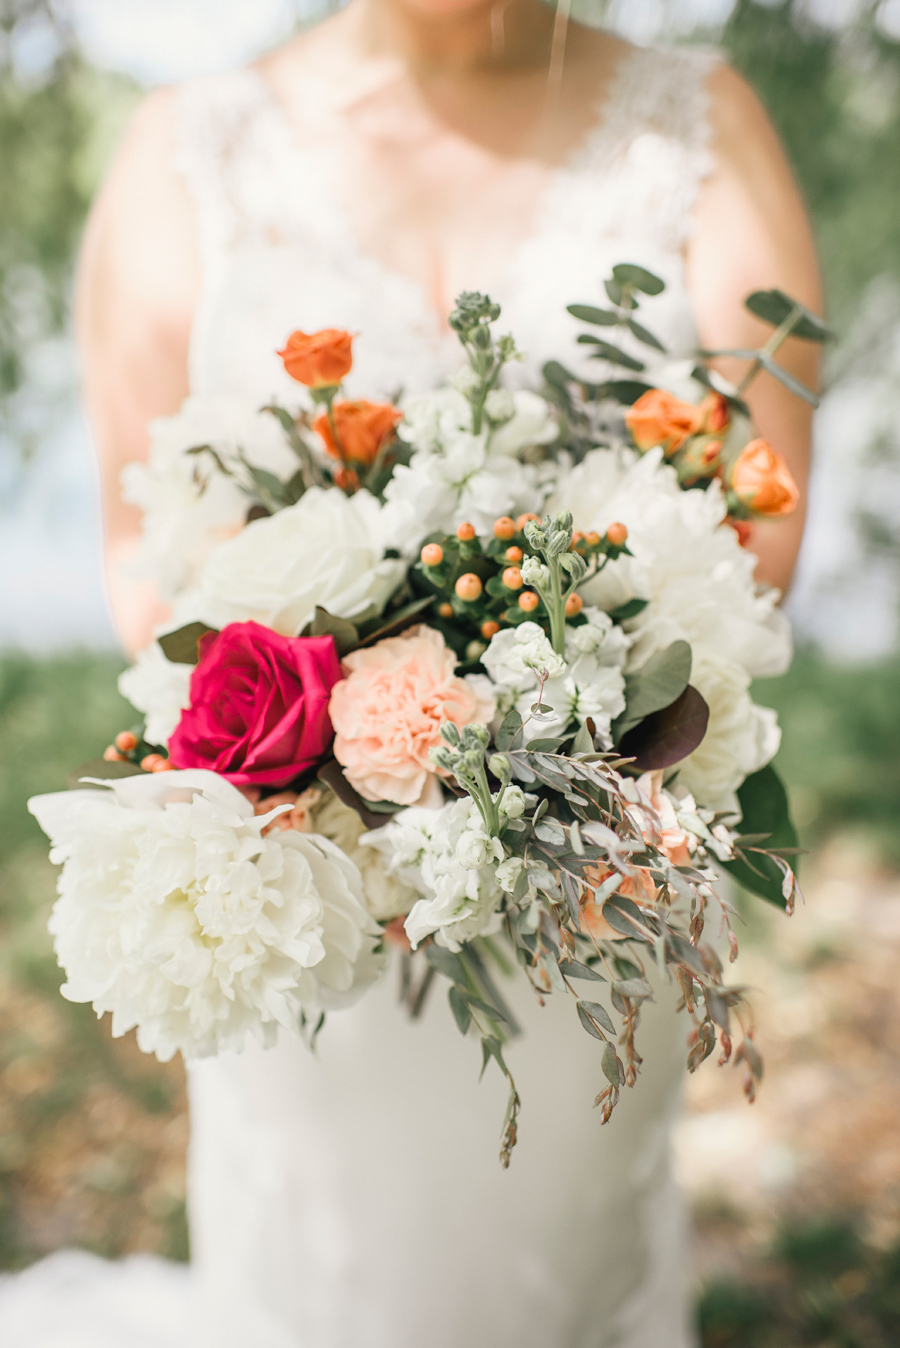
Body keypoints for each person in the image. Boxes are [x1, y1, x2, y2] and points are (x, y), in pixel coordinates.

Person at [13, 3, 823, 1346]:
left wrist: (552, 783)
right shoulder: (182, 156)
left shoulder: (704, 125)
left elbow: (762, 517)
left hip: (598, 867)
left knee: (572, 1241)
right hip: (299, 869)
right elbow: (144, 560)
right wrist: (333, 803)